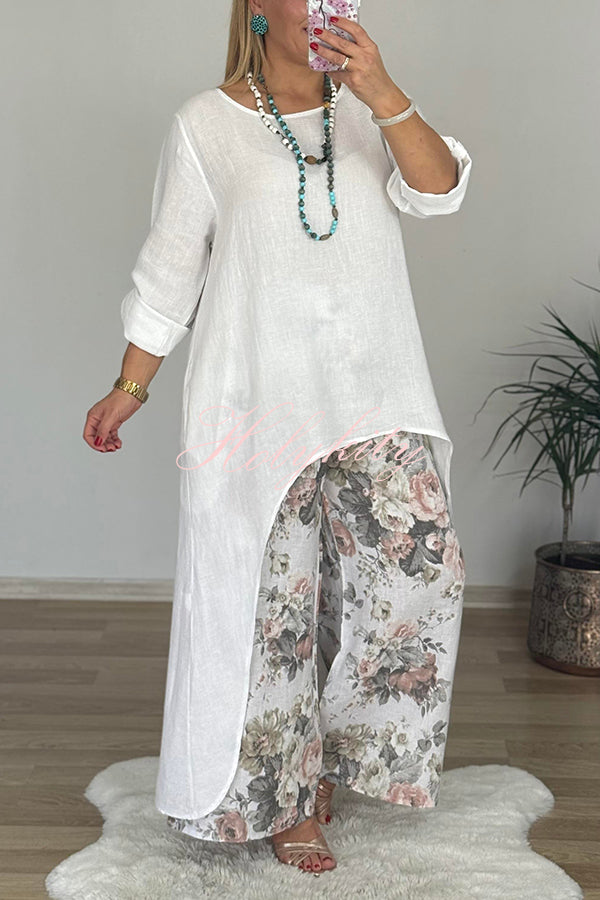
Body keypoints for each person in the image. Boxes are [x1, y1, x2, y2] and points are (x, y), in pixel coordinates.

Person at [83, 0, 472, 878]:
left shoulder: (369, 109)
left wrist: (382, 90)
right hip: (257, 401)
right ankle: (286, 800)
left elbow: (438, 191)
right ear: (260, 5)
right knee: (273, 609)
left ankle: (329, 756)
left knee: (423, 570)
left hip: (374, 391)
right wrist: (130, 385)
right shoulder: (205, 124)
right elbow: (172, 266)